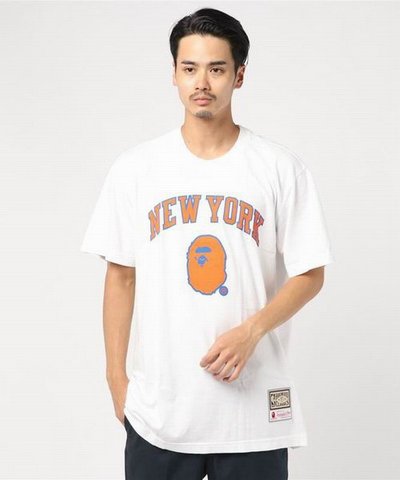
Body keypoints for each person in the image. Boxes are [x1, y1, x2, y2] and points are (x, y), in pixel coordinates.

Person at [80, 7, 334, 480]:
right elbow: (121, 276)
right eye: (189, 68)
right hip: (159, 415)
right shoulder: (136, 169)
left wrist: (252, 331)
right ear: (174, 74)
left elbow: (311, 273)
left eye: (216, 69)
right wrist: (116, 379)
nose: (202, 82)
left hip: (252, 417)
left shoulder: (279, 168)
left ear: (239, 76)